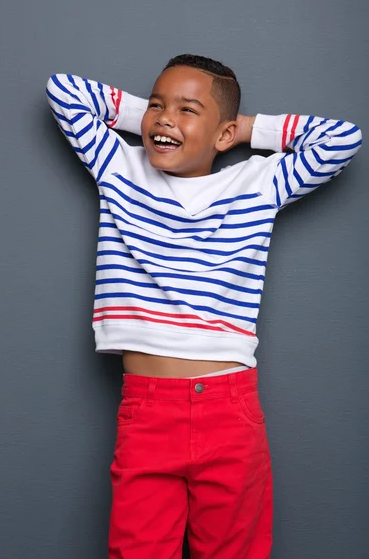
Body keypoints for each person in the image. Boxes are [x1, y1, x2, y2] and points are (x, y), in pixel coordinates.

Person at [46, 54, 362, 558]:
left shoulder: (256, 183)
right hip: (146, 408)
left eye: (187, 109)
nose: (166, 118)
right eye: (157, 105)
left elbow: (342, 139)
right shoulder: (118, 166)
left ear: (223, 133)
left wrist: (241, 130)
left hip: (228, 408)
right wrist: (155, 119)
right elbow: (64, 91)